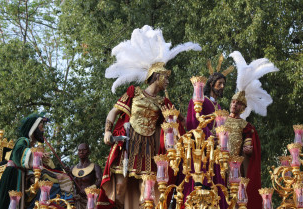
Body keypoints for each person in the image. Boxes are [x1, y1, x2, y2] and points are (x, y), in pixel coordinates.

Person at [97, 25, 201, 209]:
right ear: (156, 76)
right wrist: (107, 131)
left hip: (148, 149)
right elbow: (114, 112)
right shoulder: (133, 93)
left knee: (147, 191)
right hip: (129, 144)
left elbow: (177, 123)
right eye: (165, 77)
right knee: (119, 186)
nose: (167, 81)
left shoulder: (163, 103)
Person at [227, 51, 279, 209]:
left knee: (237, 198)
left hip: (237, 167)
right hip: (219, 163)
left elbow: (249, 145)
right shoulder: (220, 120)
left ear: (243, 108)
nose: (235, 105)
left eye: (238, 104)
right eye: (233, 102)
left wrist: (248, 149)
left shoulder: (246, 127)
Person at [184, 55, 234, 209]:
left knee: (217, 180)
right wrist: (210, 135)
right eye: (219, 84)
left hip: (216, 150)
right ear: (211, 84)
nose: (222, 87)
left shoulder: (218, 107)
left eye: (224, 84)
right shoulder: (200, 100)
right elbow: (192, 122)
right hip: (202, 148)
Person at [0, 113, 48, 209]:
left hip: (21, 176)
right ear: (34, 128)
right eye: (41, 127)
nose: (43, 130)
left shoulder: (30, 145)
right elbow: (18, 155)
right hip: (13, 176)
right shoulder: (23, 140)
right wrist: (36, 154)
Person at [71, 143, 102, 209]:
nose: (81, 152)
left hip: (90, 200)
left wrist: (87, 190)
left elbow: (100, 181)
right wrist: (67, 174)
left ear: (89, 152)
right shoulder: (72, 168)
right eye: (79, 150)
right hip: (76, 200)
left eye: (84, 150)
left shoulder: (95, 167)